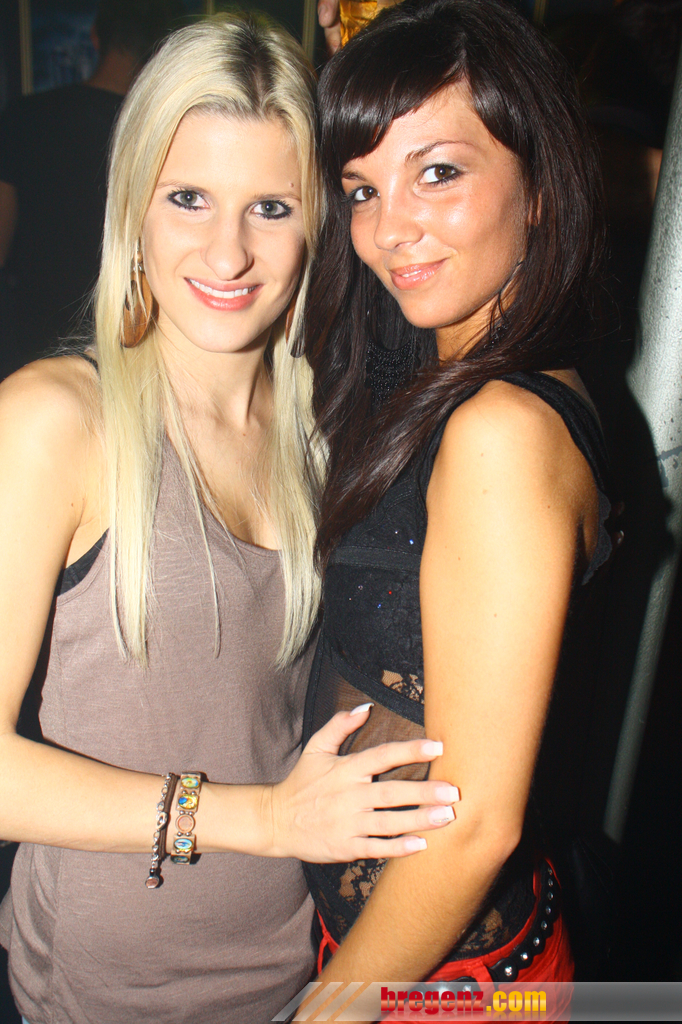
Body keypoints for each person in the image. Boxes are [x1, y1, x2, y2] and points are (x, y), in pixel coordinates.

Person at [0, 15, 460, 1024]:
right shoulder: (54, 422)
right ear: (134, 207)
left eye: (271, 207)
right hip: (103, 995)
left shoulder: (319, 434)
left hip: (296, 964)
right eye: (188, 198)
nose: (228, 250)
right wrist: (264, 819)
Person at [301, 0, 612, 1015]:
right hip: (402, 953)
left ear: (538, 186)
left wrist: (327, 1006)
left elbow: (475, 823)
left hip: (443, 987)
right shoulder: (446, 383)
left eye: (437, 172)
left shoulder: (501, 430)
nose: (388, 228)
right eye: (362, 188)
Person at [0, 0, 184, 379]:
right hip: (128, 341)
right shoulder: (162, 135)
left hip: (31, 336)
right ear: (157, 48)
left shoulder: (25, 117)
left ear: (96, 37)